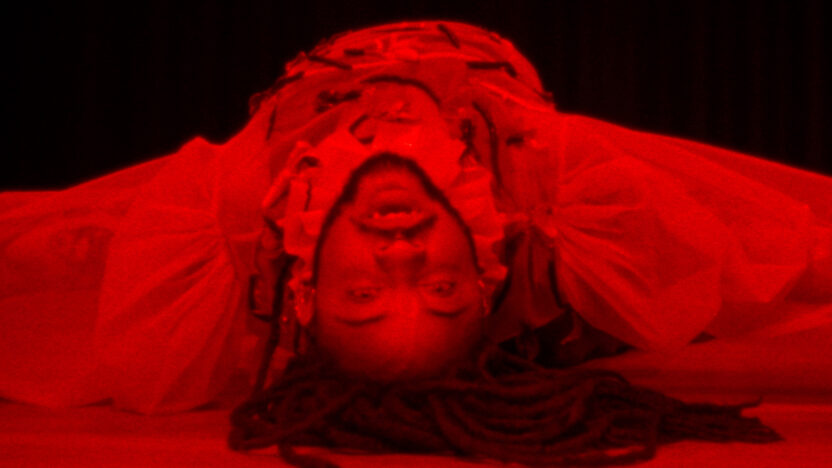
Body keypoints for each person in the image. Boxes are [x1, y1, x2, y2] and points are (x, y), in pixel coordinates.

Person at [0, 20, 829, 453]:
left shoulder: (233, 224)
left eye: (365, 294)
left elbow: (64, 248)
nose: (400, 253)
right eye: (439, 289)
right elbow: (763, 254)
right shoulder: (550, 190)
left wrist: (52, 251)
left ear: (307, 288)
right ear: (484, 272)